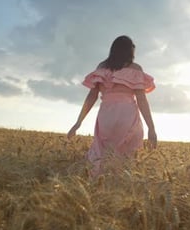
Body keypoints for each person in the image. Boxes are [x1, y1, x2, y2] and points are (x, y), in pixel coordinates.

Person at [67, 35, 157, 176]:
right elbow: (142, 99)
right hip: (128, 116)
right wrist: (151, 128)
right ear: (130, 51)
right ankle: (121, 186)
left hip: (106, 117)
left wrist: (78, 122)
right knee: (127, 158)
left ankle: (97, 186)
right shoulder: (135, 69)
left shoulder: (102, 68)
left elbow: (92, 97)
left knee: (102, 155)